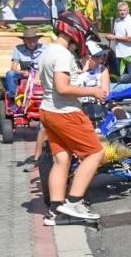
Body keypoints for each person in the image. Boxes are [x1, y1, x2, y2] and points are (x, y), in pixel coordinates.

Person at [38, 11, 106, 226]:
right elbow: (62, 87)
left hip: (48, 111)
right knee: (95, 153)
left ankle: (55, 210)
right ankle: (74, 201)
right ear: (74, 31)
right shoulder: (62, 55)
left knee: (62, 159)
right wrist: (93, 91)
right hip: (65, 112)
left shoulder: (47, 51)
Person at [5, 27, 44, 102]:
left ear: (37, 40)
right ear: (24, 41)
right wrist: (22, 72)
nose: (32, 42)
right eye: (29, 40)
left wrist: (38, 74)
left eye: (34, 40)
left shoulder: (44, 48)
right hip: (24, 74)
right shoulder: (18, 49)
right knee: (10, 74)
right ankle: (14, 99)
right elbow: (13, 67)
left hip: (41, 74)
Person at [109, 1, 131, 81]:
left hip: (130, 53)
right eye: (120, 10)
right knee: (122, 76)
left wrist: (115, 37)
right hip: (119, 53)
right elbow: (115, 35)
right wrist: (110, 37)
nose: (122, 12)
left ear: (128, 10)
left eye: (124, 10)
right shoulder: (117, 21)